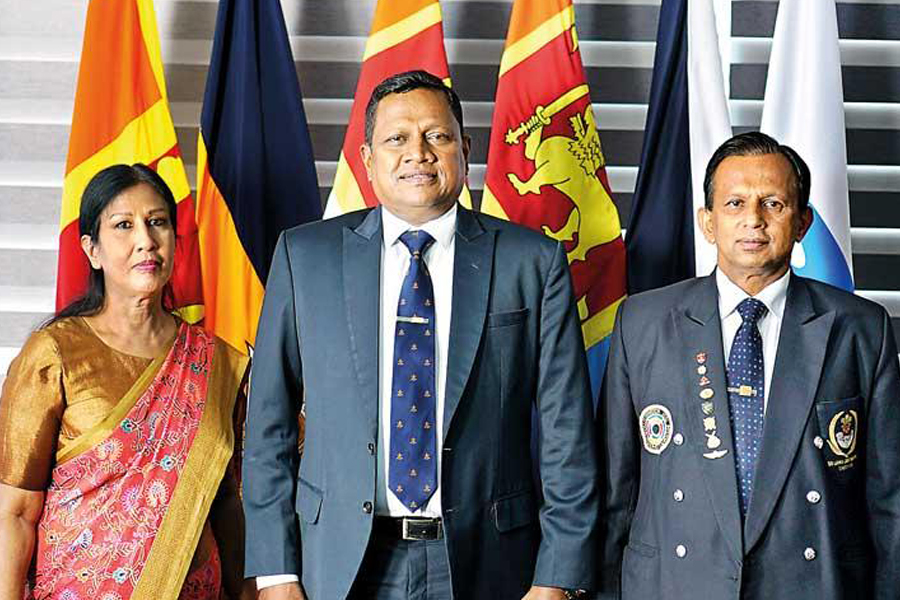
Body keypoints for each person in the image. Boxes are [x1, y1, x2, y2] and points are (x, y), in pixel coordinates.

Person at [242, 70, 599, 600]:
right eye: (397, 139)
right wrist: (276, 573)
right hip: (339, 564)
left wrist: (558, 578)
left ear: (465, 148)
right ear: (367, 159)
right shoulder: (304, 258)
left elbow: (566, 431)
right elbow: (268, 426)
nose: (419, 153)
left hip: (488, 563)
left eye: (438, 136)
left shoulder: (533, 262)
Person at [597, 131, 900, 599]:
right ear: (708, 222)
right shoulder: (643, 322)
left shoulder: (861, 328)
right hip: (673, 585)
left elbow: (889, 500)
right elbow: (615, 488)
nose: (753, 221)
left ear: (802, 222)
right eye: (735, 204)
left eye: (773, 204)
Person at [0, 164, 251, 600]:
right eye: (123, 225)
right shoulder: (55, 353)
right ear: (92, 250)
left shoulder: (218, 366)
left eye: (157, 222)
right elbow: (16, 512)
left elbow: (229, 503)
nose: (145, 241)